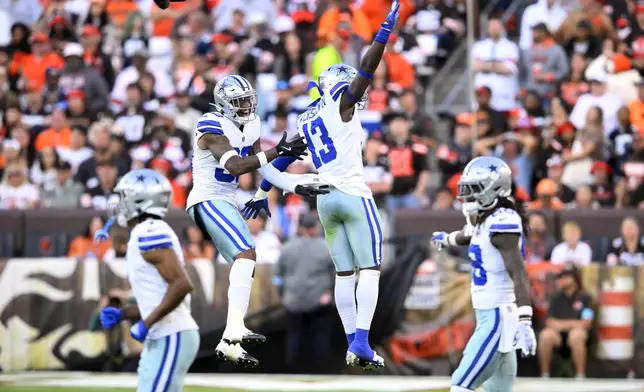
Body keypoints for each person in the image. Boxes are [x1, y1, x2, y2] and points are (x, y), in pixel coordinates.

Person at [242, 0, 401, 371]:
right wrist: (383, 34)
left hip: (324, 200)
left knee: (344, 274)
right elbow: (366, 69)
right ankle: (361, 340)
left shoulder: (307, 116)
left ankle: (350, 343)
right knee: (371, 270)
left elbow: (279, 159)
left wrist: (262, 193)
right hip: (352, 193)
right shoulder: (341, 105)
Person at [185, 74, 328, 367]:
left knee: (246, 263)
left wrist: (294, 185)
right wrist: (276, 151)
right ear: (224, 104)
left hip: (226, 200)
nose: (247, 106)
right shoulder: (210, 125)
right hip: (207, 197)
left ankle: (229, 341)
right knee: (246, 253)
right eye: (240, 102)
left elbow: (262, 166)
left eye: (249, 100)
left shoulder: (251, 124)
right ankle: (235, 328)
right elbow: (237, 166)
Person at [431, 156, 536, 392]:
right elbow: (469, 233)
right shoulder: (486, 220)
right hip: (491, 316)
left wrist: (526, 319)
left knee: (461, 385)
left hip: (497, 317)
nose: (467, 197)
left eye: (474, 190)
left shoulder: (503, 223)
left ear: (495, 188)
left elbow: (519, 273)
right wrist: (446, 239)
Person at [98, 169, 199, 392]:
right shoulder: (145, 232)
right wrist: (124, 314)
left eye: (124, 196)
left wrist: (146, 323)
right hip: (164, 334)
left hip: (171, 333)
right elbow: (159, 296)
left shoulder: (149, 231)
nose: (120, 203)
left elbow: (182, 285)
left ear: (141, 199)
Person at [277, 213, 335, 374]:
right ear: (315, 228)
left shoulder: (287, 248)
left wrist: (283, 295)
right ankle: (321, 372)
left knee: (294, 338)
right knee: (320, 338)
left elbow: (279, 276)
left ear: (300, 228)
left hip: (293, 301)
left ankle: (292, 371)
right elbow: (334, 277)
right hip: (320, 301)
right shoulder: (325, 247)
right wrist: (330, 296)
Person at [538, 264, 594, 379]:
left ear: (575, 279)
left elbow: (586, 323)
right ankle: (544, 374)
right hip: (558, 337)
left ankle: (580, 375)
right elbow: (549, 321)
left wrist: (562, 325)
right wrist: (573, 324)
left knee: (576, 335)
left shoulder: (585, 297)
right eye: (562, 277)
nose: (563, 280)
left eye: (567, 276)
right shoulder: (556, 297)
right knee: (545, 335)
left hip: (579, 337)